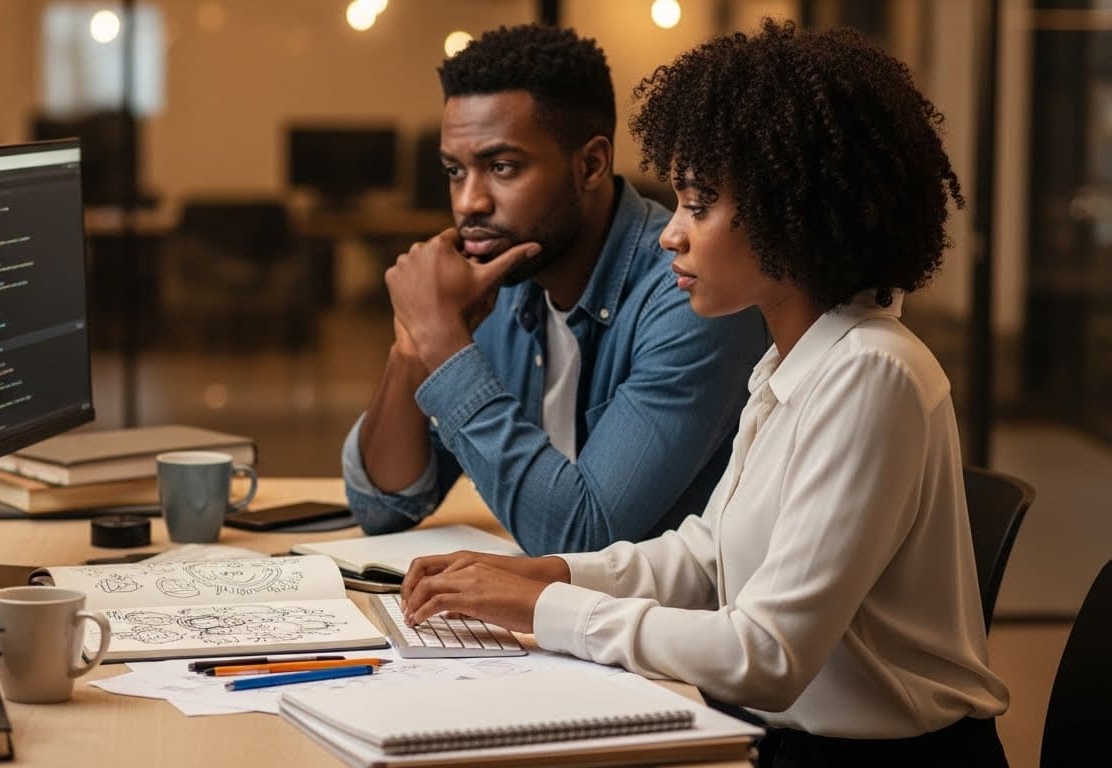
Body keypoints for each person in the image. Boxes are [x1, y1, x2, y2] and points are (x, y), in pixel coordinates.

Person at [400, 20, 1010, 766]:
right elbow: (705, 557)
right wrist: (551, 572)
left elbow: (767, 654)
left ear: (795, 210)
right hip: (772, 737)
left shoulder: (870, 372)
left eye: (699, 203)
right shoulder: (791, 362)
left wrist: (545, 607)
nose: (669, 235)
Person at [342, 24, 767, 555]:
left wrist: (442, 340)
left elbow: (581, 537)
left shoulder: (691, 296)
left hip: (668, 628)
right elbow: (382, 508)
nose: (469, 201)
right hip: (565, 624)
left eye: (501, 167)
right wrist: (412, 348)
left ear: (590, 164)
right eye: (455, 171)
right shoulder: (500, 286)